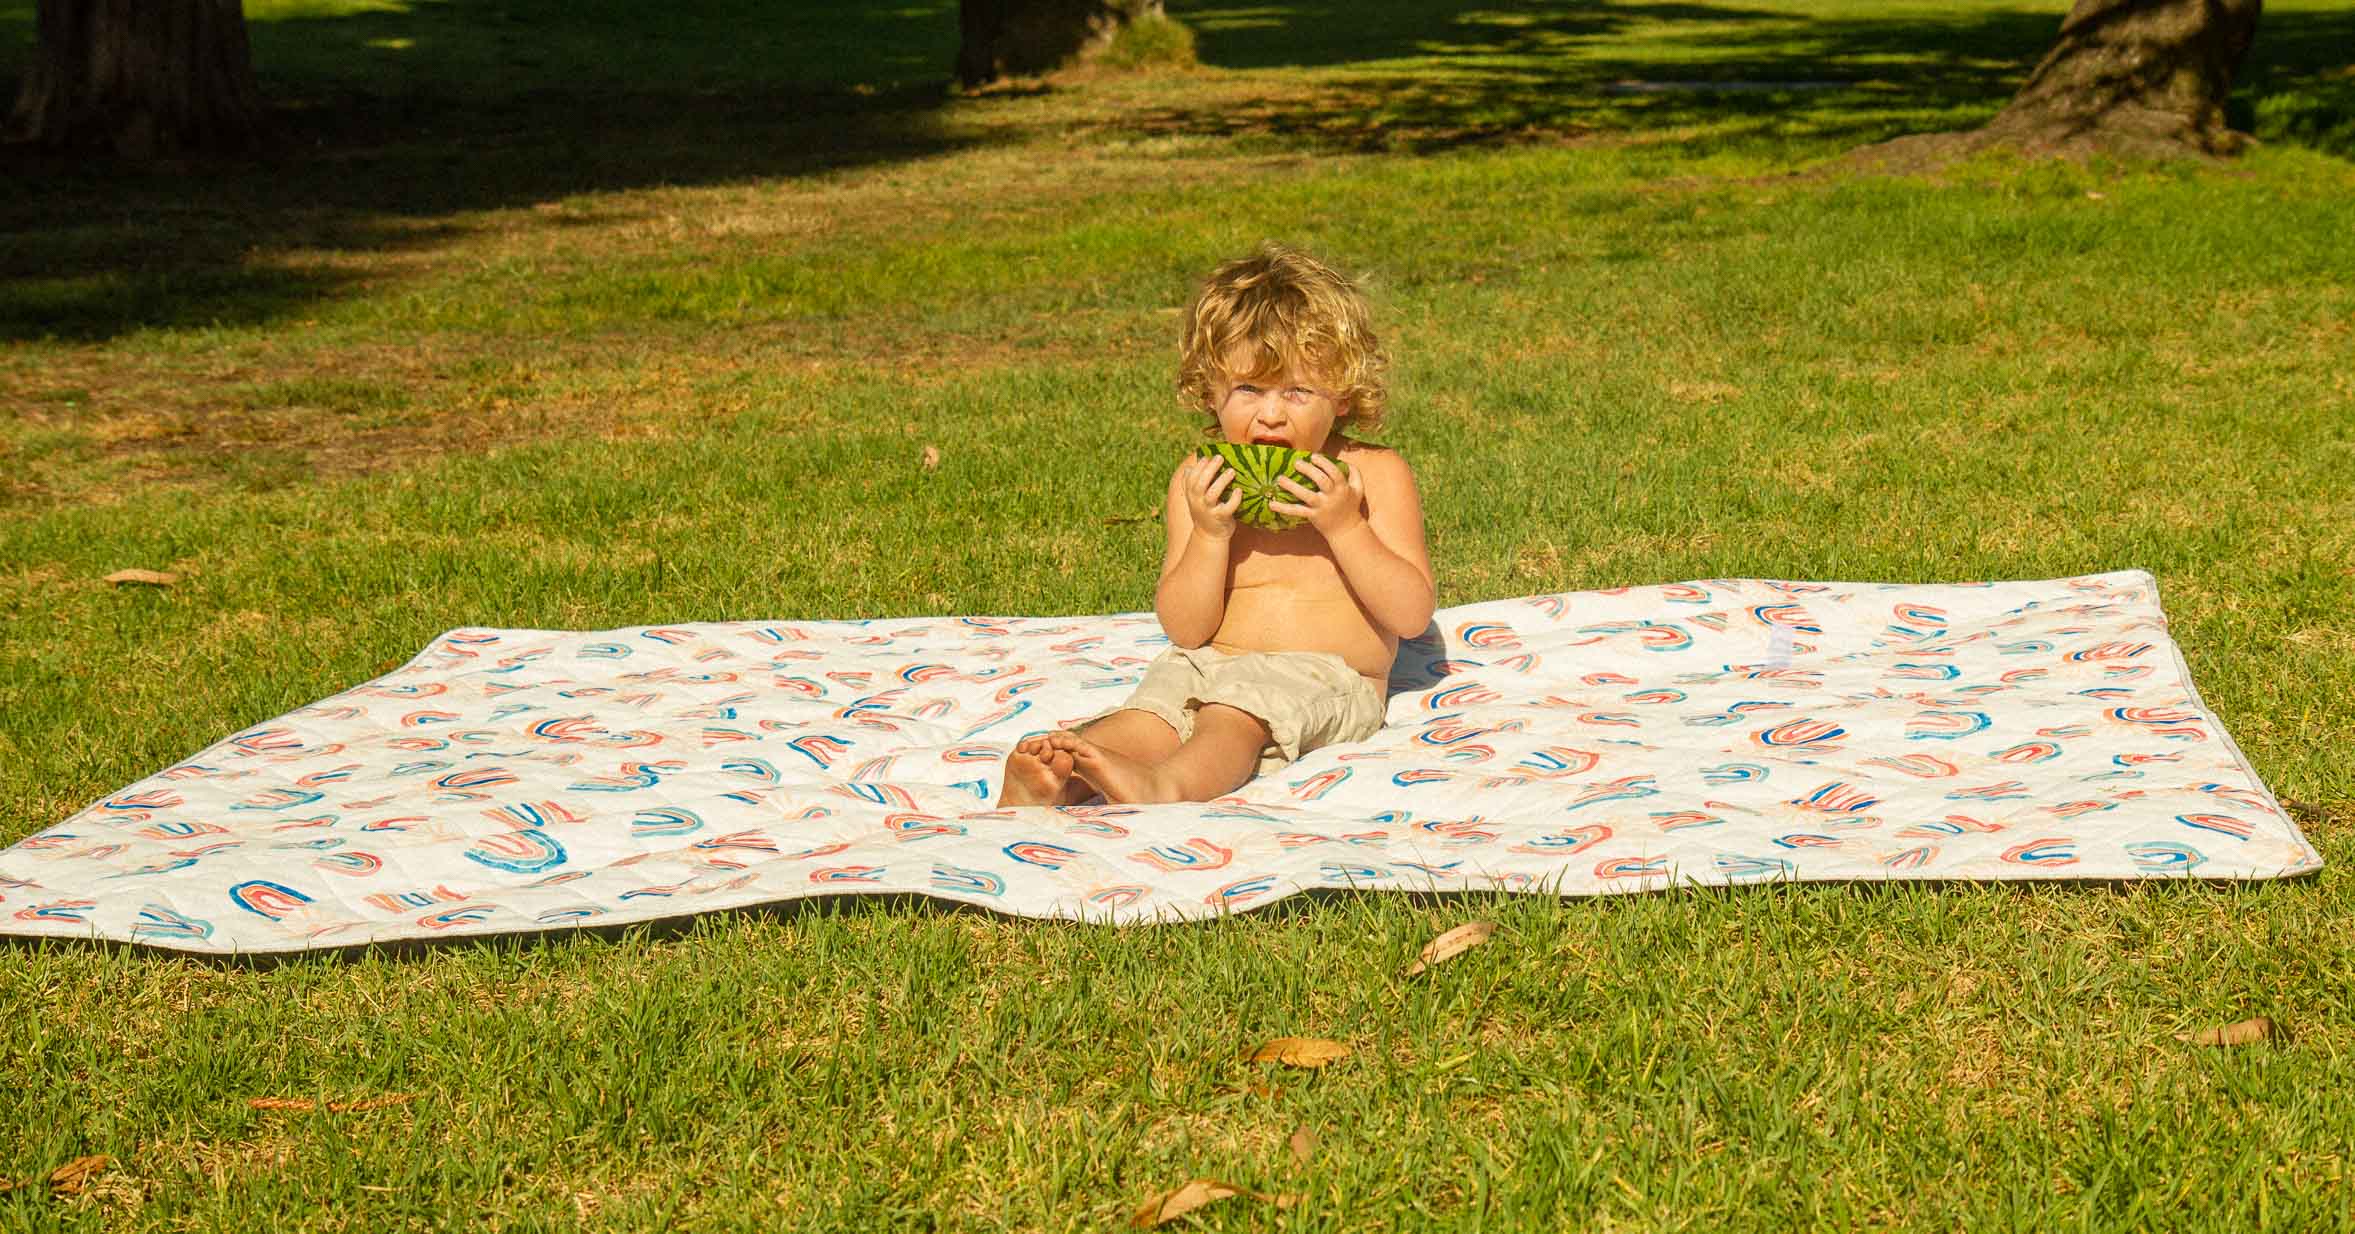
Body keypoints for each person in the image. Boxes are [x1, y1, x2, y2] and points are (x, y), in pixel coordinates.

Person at [999, 242, 1434, 806]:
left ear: (1343, 395)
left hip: (1331, 680)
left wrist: (1346, 527)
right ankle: (1060, 770)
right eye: (1249, 389)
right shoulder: (1201, 480)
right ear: (1211, 391)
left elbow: (1411, 613)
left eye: (1298, 391)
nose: (1271, 414)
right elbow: (1186, 628)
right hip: (1208, 663)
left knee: (1234, 713)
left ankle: (1168, 785)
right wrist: (1209, 535)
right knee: (1153, 712)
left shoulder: (1374, 475)